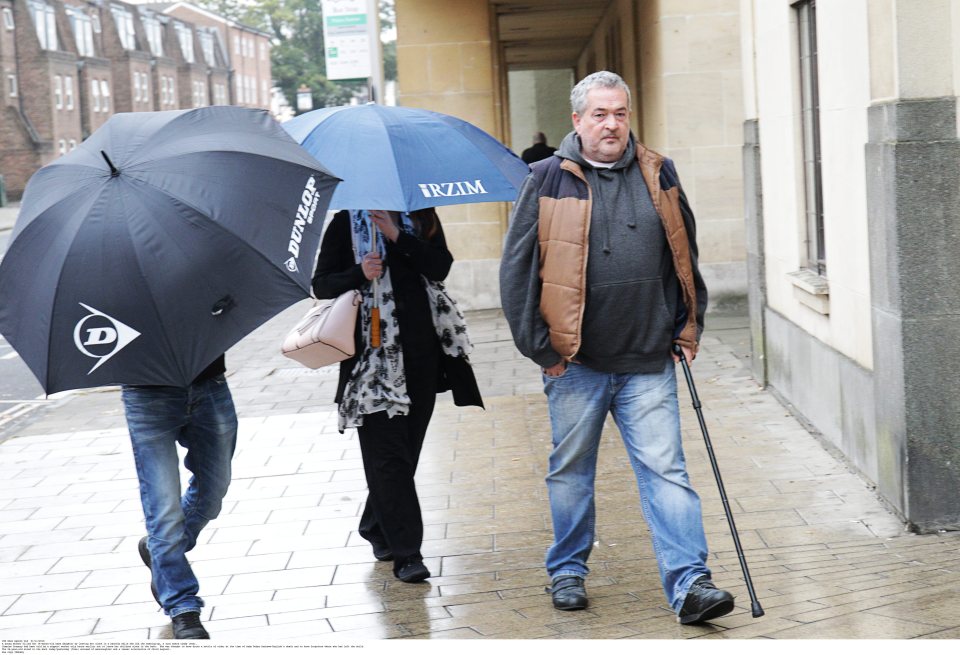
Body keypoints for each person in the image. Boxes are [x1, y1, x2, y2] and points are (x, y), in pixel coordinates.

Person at [499, 71, 734, 624]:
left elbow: (684, 253)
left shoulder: (659, 172)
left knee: (667, 471)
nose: (612, 124)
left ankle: (691, 584)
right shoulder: (546, 179)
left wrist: (687, 324)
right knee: (571, 470)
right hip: (575, 363)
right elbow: (518, 273)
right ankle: (568, 571)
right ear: (576, 120)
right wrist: (543, 351)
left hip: (648, 359)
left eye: (620, 113)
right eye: (600, 114)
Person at [312, 208, 483, 583]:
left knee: (404, 454)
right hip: (369, 364)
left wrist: (397, 236)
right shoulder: (346, 223)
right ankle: (408, 554)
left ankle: (376, 524)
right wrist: (361, 273)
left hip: (422, 359)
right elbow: (321, 285)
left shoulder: (420, 216)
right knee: (389, 457)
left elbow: (440, 266)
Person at [125, 355, 237, 639]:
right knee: (162, 508)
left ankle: (159, 552)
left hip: (209, 382)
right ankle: (182, 606)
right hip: (146, 394)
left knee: (213, 491)